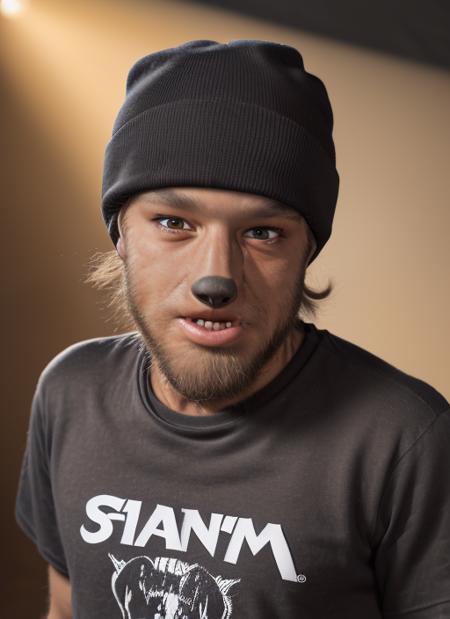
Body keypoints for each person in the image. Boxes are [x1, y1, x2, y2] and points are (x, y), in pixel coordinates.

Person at [15, 39, 450, 619]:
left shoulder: (403, 440)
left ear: (307, 250)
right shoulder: (70, 391)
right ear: (120, 233)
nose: (215, 278)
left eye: (263, 232)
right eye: (174, 223)